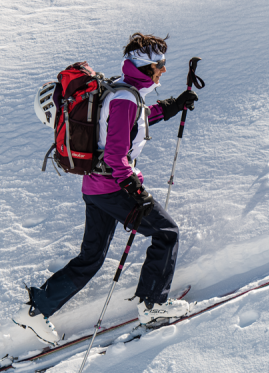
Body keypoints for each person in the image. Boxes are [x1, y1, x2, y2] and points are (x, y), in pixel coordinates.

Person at [14, 33, 199, 344]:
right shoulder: (125, 98)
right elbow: (115, 154)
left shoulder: (121, 92)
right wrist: (134, 187)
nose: (163, 71)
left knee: (91, 258)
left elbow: (130, 124)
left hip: (96, 187)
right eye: (159, 66)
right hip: (114, 187)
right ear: (144, 68)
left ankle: (35, 309)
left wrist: (170, 107)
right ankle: (153, 305)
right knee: (166, 233)